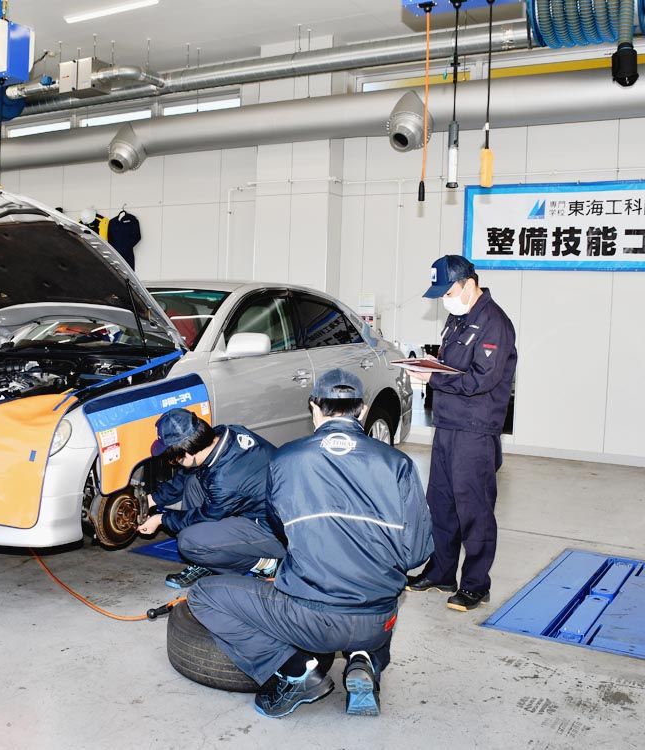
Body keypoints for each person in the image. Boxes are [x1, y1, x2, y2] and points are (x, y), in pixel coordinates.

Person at [187, 369, 433, 719]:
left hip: (310, 622)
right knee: (375, 582)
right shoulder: (399, 464)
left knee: (203, 595)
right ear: (363, 410)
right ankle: (365, 657)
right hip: (378, 621)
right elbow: (418, 554)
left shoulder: (286, 460)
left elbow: (281, 530)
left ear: (314, 407)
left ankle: (295, 670)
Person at [405, 255, 517, 612]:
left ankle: (475, 584)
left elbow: (481, 379)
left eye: (449, 292)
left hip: (475, 429)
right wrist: (429, 366)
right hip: (448, 424)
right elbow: (453, 366)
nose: (445, 300)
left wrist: (432, 378)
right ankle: (441, 572)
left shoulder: (494, 323)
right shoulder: (458, 319)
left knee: (474, 509)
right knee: (441, 505)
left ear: (470, 284)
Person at [136, 409, 285, 589]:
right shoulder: (224, 434)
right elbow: (188, 472)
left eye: (173, 459)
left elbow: (204, 516)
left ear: (188, 452)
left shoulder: (225, 480)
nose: (172, 463)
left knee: (188, 542)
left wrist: (161, 519)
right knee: (194, 481)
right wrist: (151, 499)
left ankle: (266, 564)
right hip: (260, 506)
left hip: (277, 531)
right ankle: (207, 558)